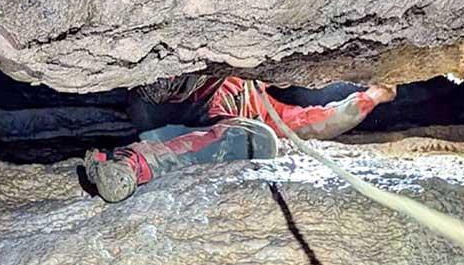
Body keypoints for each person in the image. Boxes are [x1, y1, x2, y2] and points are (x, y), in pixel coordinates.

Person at [83, 76, 397, 202]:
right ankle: (130, 162)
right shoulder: (232, 80)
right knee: (251, 136)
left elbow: (313, 122)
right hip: (167, 103)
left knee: (254, 139)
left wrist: (369, 98)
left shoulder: (258, 102)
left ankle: (121, 164)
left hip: (172, 130)